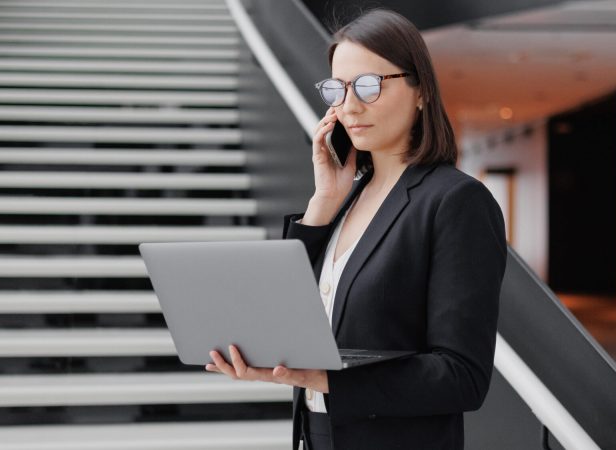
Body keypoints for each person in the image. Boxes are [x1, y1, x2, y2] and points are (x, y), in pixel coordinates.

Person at [205, 8, 507, 450]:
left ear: (420, 90)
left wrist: (328, 380)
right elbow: (289, 312)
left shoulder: (455, 202)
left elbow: (462, 376)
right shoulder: (342, 199)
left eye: (369, 85)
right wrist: (322, 203)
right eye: (337, 89)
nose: (349, 106)